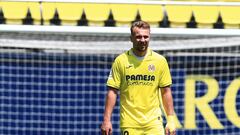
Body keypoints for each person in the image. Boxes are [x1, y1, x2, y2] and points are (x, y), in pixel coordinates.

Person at [101, 21, 176, 135]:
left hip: (153, 123)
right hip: (130, 123)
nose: (142, 40)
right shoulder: (121, 61)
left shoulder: (160, 61)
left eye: (146, 36)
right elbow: (112, 92)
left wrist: (170, 120)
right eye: (138, 37)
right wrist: (106, 120)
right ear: (131, 38)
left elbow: (166, 92)